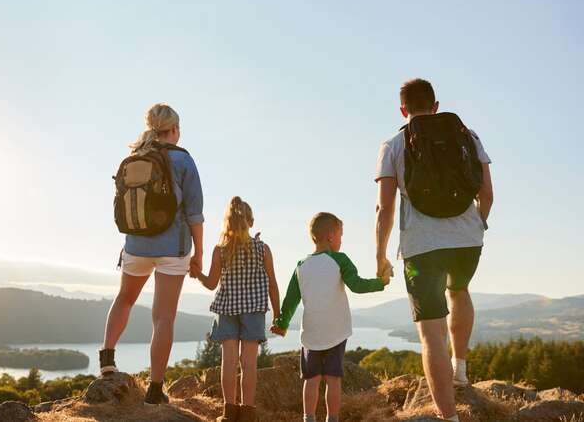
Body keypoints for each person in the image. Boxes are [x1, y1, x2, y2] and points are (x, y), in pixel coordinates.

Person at [374, 78, 494, 421]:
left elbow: (385, 209)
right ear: (436, 106)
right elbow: (486, 194)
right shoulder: (468, 136)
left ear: (403, 109)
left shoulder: (394, 145)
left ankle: (448, 417)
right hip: (468, 241)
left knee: (430, 334)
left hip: (421, 246)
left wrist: (381, 254)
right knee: (459, 291)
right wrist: (478, 225)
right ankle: (461, 369)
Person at [100, 103, 205, 405]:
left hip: (136, 245)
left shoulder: (135, 157)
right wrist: (198, 253)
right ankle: (155, 390)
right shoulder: (184, 161)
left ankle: (107, 359)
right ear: (174, 130)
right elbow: (195, 214)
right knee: (164, 317)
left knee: (125, 299)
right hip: (173, 248)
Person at [272, 212, 389, 422]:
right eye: (341, 235)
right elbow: (357, 285)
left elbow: (290, 300)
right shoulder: (339, 259)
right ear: (330, 236)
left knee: (311, 379)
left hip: (311, 333)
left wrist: (282, 324)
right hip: (336, 331)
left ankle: (308, 419)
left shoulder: (301, 265)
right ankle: (332, 419)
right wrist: (381, 283)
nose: (342, 240)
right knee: (333, 379)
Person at [192, 197, 281, 422]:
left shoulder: (220, 250)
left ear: (227, 223)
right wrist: (278, 315)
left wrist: (197, 274)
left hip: (227, 309)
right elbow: (272, 283)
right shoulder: (263, 249)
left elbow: (211, 284)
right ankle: (248, 412)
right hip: (254, 310)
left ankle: (229, 412)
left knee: (228, 363)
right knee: (249, 364)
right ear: (250, 221)